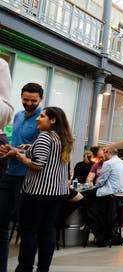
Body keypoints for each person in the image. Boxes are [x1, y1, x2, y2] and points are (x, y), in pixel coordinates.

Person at [3, 107, 71, 272]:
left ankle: (25, 267)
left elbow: (37, 165)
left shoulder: (45, 136)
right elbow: (45, 155)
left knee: (29, 231)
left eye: (42, 116)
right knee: (47, 231)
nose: (37, 119)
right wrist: (25, 148)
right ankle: (43, 268)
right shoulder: (61, 138)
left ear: (52, 120)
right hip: (56, 193)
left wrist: (19, 157)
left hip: (37, 193)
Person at [0, 82, 43, 272]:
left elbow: (40, 151)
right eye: (26, 100)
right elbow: (17, 142)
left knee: (26, 226)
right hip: (9, 174)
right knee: (1, 223)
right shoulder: (17, 115)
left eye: (34, 101)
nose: (29, 104)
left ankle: (25, 268)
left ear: (40, 99)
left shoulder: (42, 120)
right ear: (21, 97)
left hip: (27, 178)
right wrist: (8, 149)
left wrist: (15, 153)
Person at [84, 145, 123, 246]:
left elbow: (101, 181)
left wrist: (93, 187)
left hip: (110, 194)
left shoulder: (109, 163)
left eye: (104, 152)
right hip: (120, 195)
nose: (103, 155)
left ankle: (96, 230)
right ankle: (110, 234)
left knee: (86, 197)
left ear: (108, 152)